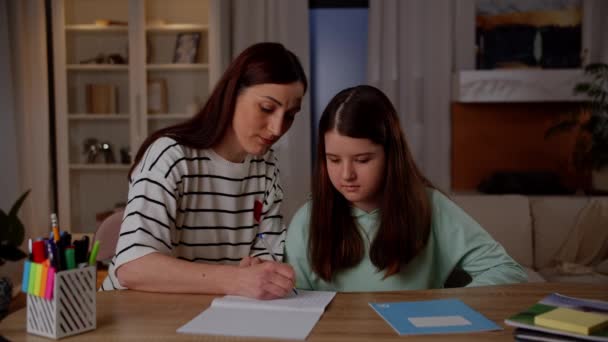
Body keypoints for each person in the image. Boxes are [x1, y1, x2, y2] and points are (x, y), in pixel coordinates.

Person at [101, 42, 307, 299]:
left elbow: (266, 251)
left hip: (209, 311)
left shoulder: (266, 166)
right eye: (266, 108)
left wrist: (259, 269)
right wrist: (235, 278)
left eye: (290, 115)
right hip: (135, 313)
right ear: (232, 95)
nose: (277, 128)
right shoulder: (172, 156)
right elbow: (132, 267)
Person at [285, 85, 527, 291]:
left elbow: (507, 271)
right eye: (334, 160)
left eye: (362, 160)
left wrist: (447, 307)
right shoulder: (307, 219)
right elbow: (295, 305)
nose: (346, 175)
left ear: (390, 155)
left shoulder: (429, 206)